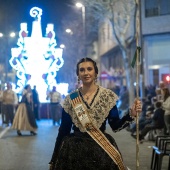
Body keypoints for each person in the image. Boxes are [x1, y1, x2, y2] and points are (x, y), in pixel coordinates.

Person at [48, 58, 142, 170]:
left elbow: (115, 126)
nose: (86, 73)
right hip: (73, 152)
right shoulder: (70, 99)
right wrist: (54, 159)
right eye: (82, 70)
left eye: (89, 69)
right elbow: (64, 130)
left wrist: (131, 115)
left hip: (101, 150)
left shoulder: (107, 96)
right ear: (78, 74)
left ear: (95, 72)